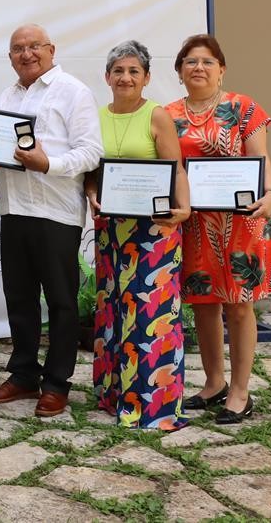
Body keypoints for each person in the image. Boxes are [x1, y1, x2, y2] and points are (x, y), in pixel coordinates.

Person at [0, 24, 103, 417]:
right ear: (10, 56)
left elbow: (91, 153)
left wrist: (49, 164)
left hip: (56, 212)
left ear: (51, 49)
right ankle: (24, 375)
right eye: (17, 49)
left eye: (34, 47)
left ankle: (57, 383)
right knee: (20, 298)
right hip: (14, 209)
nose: (26, 54)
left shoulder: (73, 91)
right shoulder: (6, 95)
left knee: (63, 302)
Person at [165, 34, 271, 424]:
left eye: (206, 61)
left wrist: (270, 194)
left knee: (238, 305)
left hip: (241, 222)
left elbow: (259, 158)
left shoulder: (243, 108)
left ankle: (239, 390)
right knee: (203, 304)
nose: (198, 68)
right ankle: (214, 382)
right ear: (179, 70)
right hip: (195, 224)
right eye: (190, 61)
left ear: (221, 69)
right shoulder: (167, 115)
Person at [84, 41, 191, 430]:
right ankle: (115, 396)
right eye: (118, 71)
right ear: (107, 77)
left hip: (154, 230)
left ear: (146, 78)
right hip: (112, 230)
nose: (125, 77)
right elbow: (91, 173)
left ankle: (154, 405)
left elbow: (175, 168)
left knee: (150, 315)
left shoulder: (156, 115)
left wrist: (184, 209)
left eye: (133, 71)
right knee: (113, 312)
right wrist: (92, 193)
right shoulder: (96, 116)